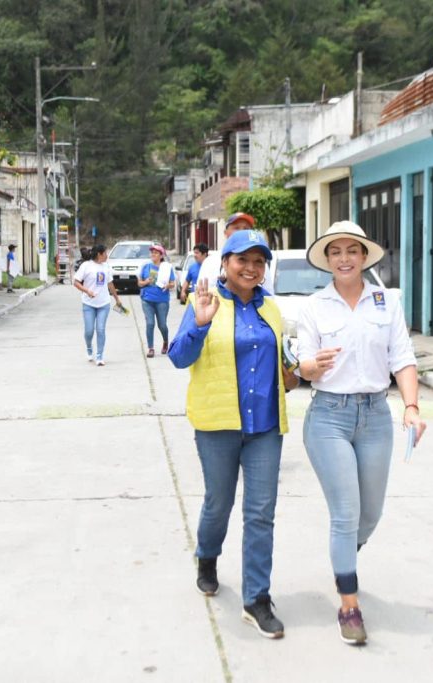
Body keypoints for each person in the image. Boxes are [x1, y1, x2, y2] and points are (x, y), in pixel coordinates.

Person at [295, 221, 427, 646]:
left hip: (375, 417)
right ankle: (349, 606)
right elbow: (302, 363)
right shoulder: (314, 306)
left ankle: (343, 558)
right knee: (346, 512)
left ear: (365, 256)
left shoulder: (386, 303)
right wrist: (311, 366)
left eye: (352, 250)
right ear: (327, 260)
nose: (344, 258)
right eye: (336, 252)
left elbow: (402, 357)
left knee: (370, 515)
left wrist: (411, 407)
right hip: (329, 418)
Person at [169, 229, 300, 640]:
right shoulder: (204, 301)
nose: (251, 268)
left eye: (259, 261)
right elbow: (178, 357)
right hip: (218, 424)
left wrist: (297, 371)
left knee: (261, 512)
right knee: (219, 502)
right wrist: (200, 324)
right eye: (242, 259)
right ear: (225, 263)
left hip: (265, 427)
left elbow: (286, 366)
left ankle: (256, 598)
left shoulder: (272, 309)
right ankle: (207, 556)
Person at [73, 244, 123, 366]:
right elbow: (76, 282)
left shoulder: (106, 266)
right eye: (105, 253)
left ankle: (100, 356)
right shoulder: (86, 266)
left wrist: (117, 299)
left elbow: (110, 284)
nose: (107, 255)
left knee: (100, 329)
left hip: (104, 304)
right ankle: (89, 347)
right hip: (88, 304)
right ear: (99, 254)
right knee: (89, 330)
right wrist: (87, 291)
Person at [137, 243, 176, 358]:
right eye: (152, 252)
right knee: (150, 323)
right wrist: (146, 282)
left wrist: (168, 285)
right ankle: (151, 348)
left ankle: (165, 342)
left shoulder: (167, 268)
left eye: (156, 253)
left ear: (161, 255)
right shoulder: (145, 267)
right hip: (147, 299)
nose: (153, 254)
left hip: (162, 300)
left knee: (162, 325)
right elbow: (139, 283)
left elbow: (173, 283)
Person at [197, 212, 254, 288]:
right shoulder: (210, 262)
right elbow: (201, 291)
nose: (241, 233)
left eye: (246, 229)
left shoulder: (260, 265)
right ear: (225, 233)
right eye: (236, 228)